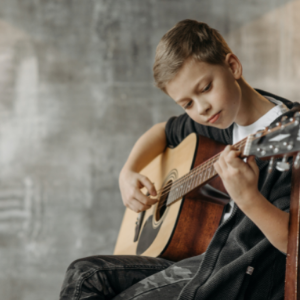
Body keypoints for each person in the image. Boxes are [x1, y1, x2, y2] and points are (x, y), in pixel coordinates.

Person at [59, 19, 300, 300]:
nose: (201, 108)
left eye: (206, 87)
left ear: (233, 66)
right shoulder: (220, 121)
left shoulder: (287, 133)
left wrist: (248, 198)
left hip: (238, 277)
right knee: (83, 275)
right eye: (187, 104)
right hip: (206, 258)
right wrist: (128, 172)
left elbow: (292, 245)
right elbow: (161, 131)